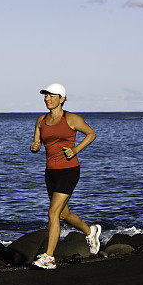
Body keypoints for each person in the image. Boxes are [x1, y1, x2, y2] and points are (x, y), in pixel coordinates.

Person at [29, 83, 100, 270]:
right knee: (63, 213)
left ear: (61, 99)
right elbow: (36, 143)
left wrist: (75, 149)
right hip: (50, 172)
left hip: (69, 170)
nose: (47, 98)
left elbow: (91, 134)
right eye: (45, 95)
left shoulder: (72, 118)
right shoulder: (41, 120)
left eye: (52, 96)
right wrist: (34, 147)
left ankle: (49, 257)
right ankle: (90, 231)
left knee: (52, 213)